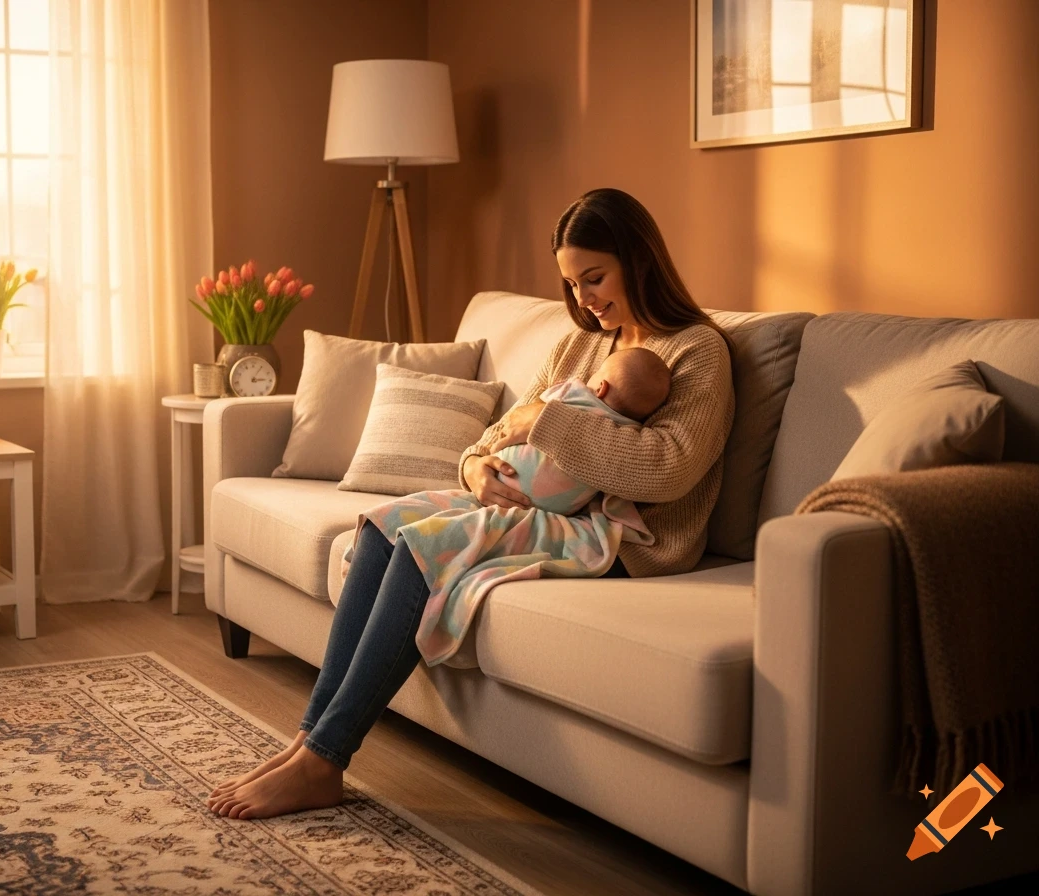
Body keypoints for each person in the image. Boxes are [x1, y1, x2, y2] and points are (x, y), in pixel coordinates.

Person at [206, 187, 735, 821]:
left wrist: (544, 423)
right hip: (539, 506)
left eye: (594, 278)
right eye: (572, 286)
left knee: (423, 547)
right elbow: (502, 429)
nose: (584, 301)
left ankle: (326, 758)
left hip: (620, 536)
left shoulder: (697, 350)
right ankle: (309, 739)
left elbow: (666, 469)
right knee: (383, 526)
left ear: (638, 259)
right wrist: (477, 467)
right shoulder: (583, 345)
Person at [491, 346, 672, 514]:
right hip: (560, 510)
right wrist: (471, 463)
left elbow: (522, 413)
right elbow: (514, 421)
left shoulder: (574, 391)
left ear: (601, 387)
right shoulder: (632, 431)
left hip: (508, 476)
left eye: (597, 372)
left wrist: (555, 401)